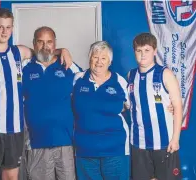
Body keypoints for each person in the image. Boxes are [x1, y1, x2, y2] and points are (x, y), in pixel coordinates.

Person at [0, 8, 71, 180]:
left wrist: (62, 50)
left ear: (12, 28)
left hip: (16, 130)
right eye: (0, 27)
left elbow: (43, 52)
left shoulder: (19, 52)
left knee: (12, 177)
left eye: (8, 27)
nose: (4, 31)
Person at [22, 26, 82, 180]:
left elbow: (91, 85)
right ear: (34, 43)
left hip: (66, 142)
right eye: (40, 42)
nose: (45, 46)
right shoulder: (24, 68)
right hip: (37, 142)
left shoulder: (68, 66)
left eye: (49, 42)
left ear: (55, 44)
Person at [128, 33, 182, 180]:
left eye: (146, 50)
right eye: (139, 51)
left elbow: (177, 107)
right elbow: (129, 104)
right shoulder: (131, 75)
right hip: (139, 142)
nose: (142, 55)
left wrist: (175, 139)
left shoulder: (165, 74)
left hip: (164, 142)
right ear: (134, 52)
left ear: (154, 51)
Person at [72, 41, 130, 180]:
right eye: (95, 57)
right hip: (85, 150)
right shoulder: (78, 79)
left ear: (110, 61)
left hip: (115, 149)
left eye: (103, 58)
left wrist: (169, 106)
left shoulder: (120, 82)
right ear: (89, 58)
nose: (99, 62)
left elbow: (134, 106)